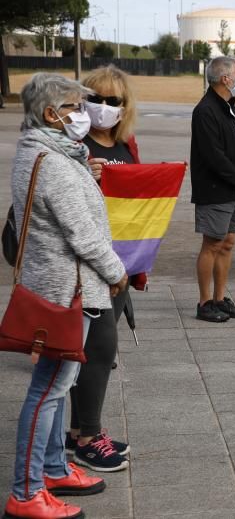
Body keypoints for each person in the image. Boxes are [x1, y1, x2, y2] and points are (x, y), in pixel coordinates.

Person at [6, 73, 128, 519]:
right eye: (75, 107)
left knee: (60, 385)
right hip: (65, 288)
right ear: (50, 113)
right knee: (48, 390)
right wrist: (117, 272)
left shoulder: (52, 153)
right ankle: (25, 491)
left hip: (63, 283)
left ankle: (55, 467)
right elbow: (82, 233)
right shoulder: (53, 161)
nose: (84, 114)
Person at [63, 66, 140, 474]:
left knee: (97, 351)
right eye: (97, 99)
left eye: (114, 102)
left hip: (120, 262)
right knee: (97, 352)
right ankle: (89, 439)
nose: (105, 107)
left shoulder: (126, 142)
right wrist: (83, 174)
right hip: (86, 266)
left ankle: (78, 432)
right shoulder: (72, 144)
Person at [190, 57, 235, 322]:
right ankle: (205, 302)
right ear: (225, 79)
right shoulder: (206, 110)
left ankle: (220, 298)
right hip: (217, 189)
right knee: (212, 244)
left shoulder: (229, 107)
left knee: (228, 243)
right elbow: (213, 155)